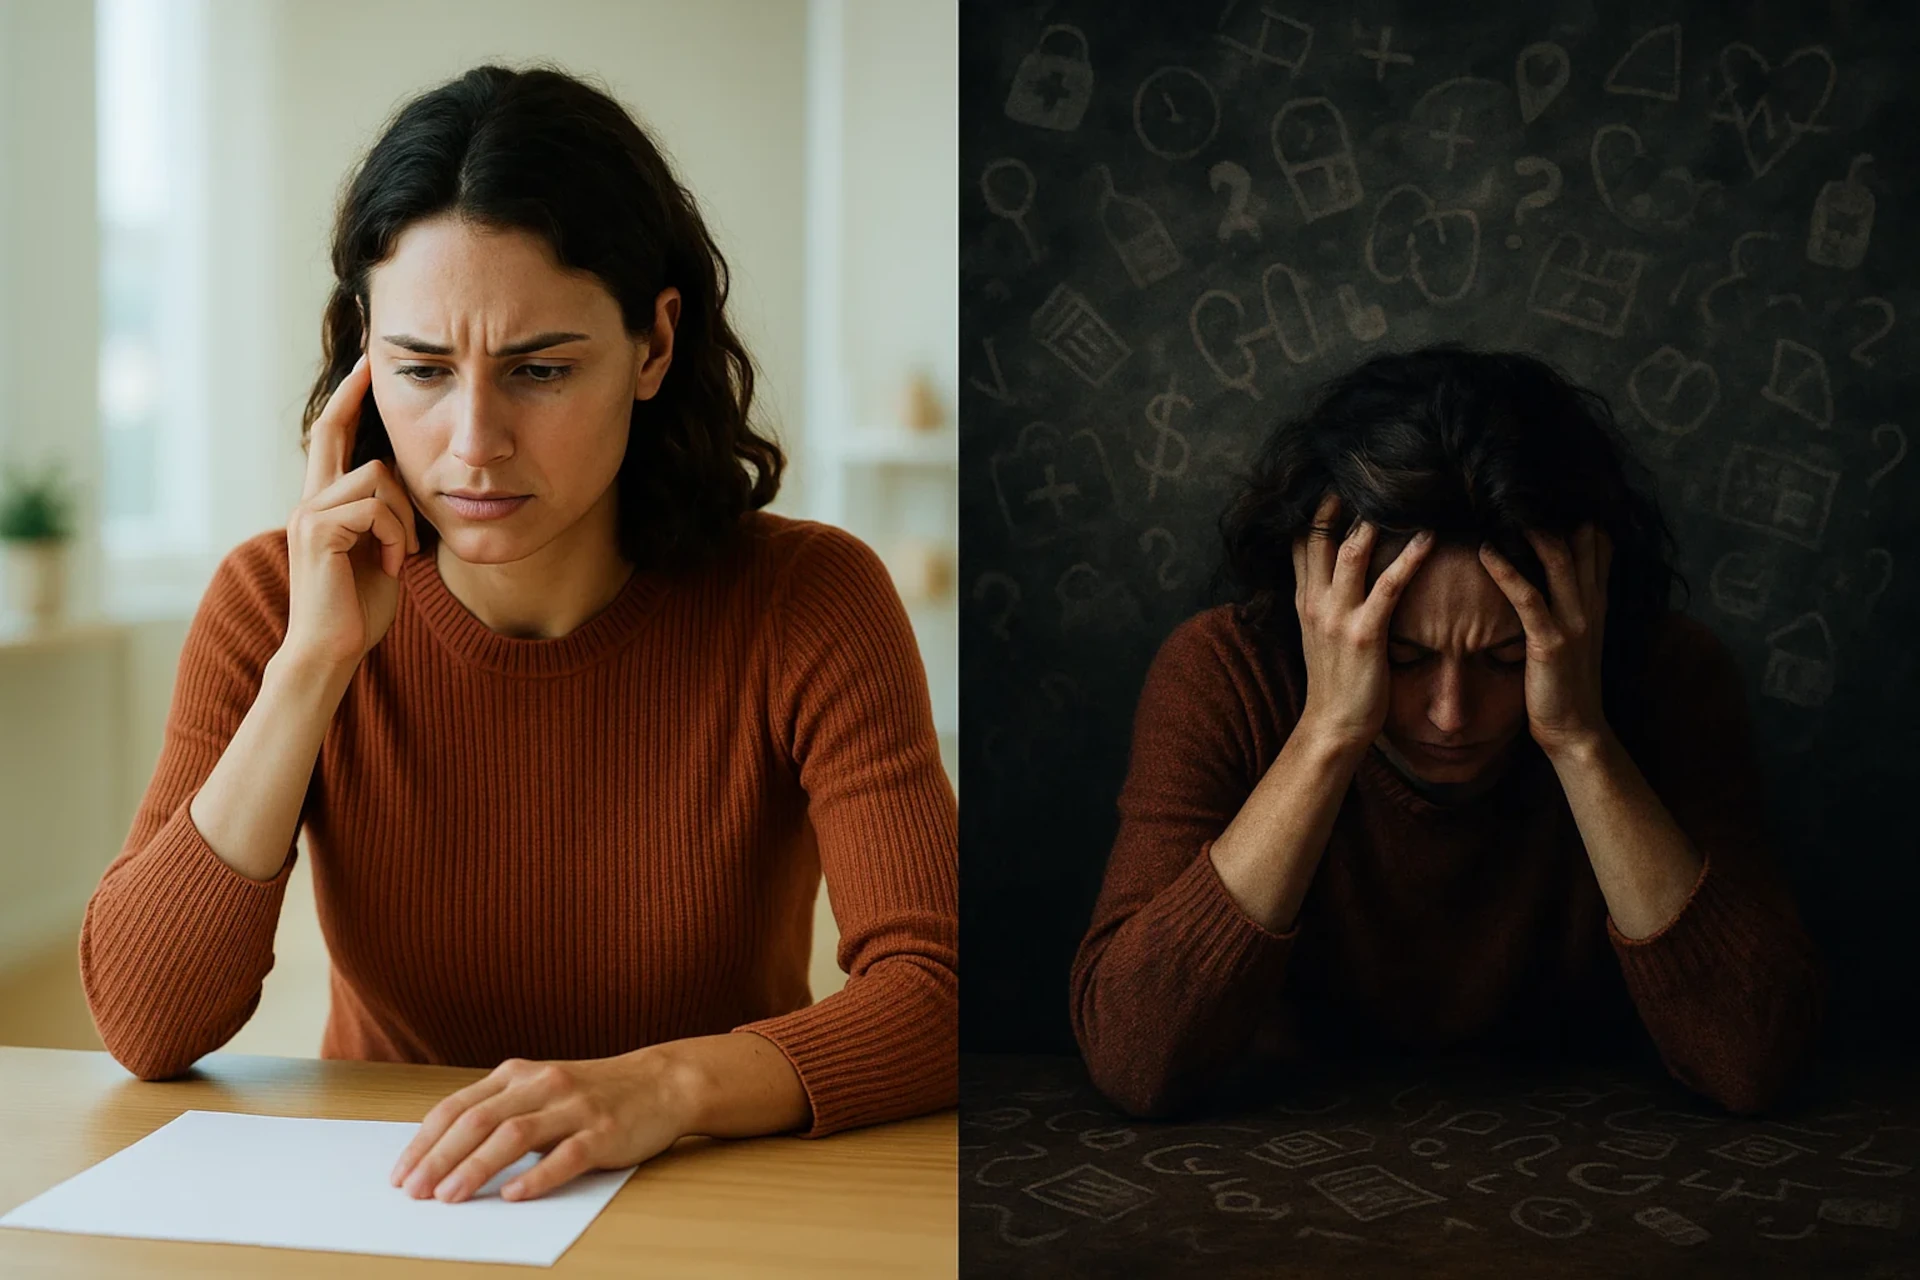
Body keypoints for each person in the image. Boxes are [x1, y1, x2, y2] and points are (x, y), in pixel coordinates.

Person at [80, 65, 956, 1203]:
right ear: (360, 362)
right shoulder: (272, 601)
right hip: (396, 1196)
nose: (475, 442)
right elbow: (147, 1022)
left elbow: (940, 988)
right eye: (423, 370)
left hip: (706, 1190)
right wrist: (311, 669)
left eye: (542, 370)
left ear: (654, 346)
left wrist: (666, 1087)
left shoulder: (809, 599)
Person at [1070, 345, 1825, 1120]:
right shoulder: (1224, 675)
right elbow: (1136, 1059)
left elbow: (1752, 1060)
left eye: (1505, 658)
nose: (1451, 714)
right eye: (1401, 657)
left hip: (1590, 1159)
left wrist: (1580, 739)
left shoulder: (1670, 679)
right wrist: (1328, 733)